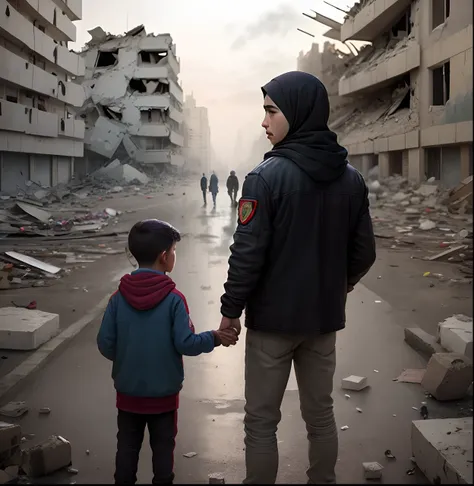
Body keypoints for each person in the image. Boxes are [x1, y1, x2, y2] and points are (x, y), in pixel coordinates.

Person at [218, 72, 376, 484]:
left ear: (299, 113)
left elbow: (247, 254)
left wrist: (229, 311)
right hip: (322, 323)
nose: (264, 122)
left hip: (273, 324)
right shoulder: (351, 179)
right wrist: (339, 286)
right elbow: (364, 253)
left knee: (261, 422)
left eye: (271, 111)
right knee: (321, 416)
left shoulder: (264, 178)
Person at [97, 219, 238, 485]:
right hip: (163, 397)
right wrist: (215, 338)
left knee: (126, 449)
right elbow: (186, 343)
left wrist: (129, 357)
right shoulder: (174, 300)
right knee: (163, 452)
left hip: (128, 394)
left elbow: (105, 344)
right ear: (164, 257)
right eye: (174, 251)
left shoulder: (117, 298)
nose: (174, 255)